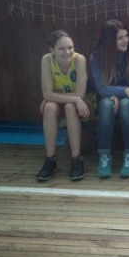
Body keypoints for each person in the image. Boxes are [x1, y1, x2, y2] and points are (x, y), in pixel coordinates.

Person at [90, 19, 129, 178]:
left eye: (126, 36)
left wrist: (120, 95)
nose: (125, 40)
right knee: (105, 104)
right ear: (109, 41)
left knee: (126, 104)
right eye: (120, 38)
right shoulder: (97, 56)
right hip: (112, 98)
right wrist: (125, 91)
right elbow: (102, 88)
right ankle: (104, 155)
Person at [37, 30, 90, 181]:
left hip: (80, 103)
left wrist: (71, 99)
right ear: (52, 50)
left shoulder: (79, 60)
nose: (67, 52)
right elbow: (47, 94)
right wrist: (73, 99)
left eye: (70, 47)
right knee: (49, 107)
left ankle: (76, 159)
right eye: (61, 48)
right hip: (67, 100)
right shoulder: (47, 60)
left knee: (70, 108)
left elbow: (80, 93)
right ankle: (50, 159)